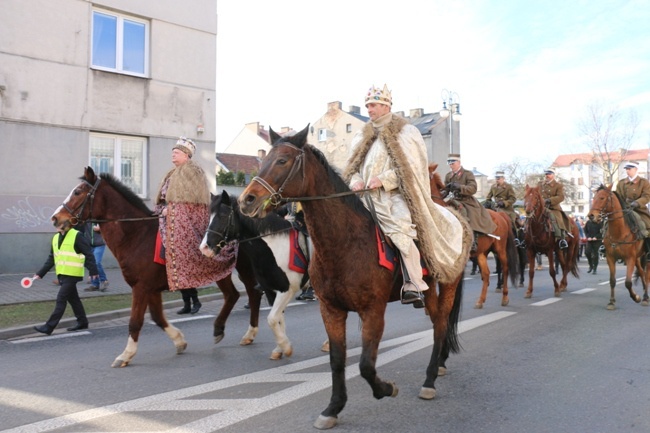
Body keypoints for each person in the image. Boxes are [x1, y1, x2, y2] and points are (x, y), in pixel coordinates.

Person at [343, 84, 467, 308]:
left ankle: (414, 282)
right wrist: (356, 181)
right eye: (367, 105)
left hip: (394, 196)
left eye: (373, 105)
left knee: (400, 225)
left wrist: (383, 180)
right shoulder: (361, 135)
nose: (369, 109)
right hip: (362, 196)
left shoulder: (406, 132)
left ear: (386, 106)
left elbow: (411, 168)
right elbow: (351, 168)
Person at [155, 137, 238, 315]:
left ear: (186, 155)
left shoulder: (192, 172)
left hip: (184, 224)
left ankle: (194, 301)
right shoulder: (171, 174)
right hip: (168, 222)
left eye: (176, 152)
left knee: (183, 256)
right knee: (172, 259)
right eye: (172, 152)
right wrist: (162, 209)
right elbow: (165, 199)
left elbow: (191, 203)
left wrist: (172, 211)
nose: (173, 155)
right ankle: (187, 302)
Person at [31, 223, 98, 335]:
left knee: (61, 298)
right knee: (73, 299)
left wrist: (93, 271)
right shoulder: (56, 237)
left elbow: (88, 254)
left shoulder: (77, 235)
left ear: (67, 224)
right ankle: (83, 322)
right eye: (56, 223)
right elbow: (52, 257)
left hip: (73, 274)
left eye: (60, 223)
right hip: (62, 274)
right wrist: (40, 273)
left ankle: (49, 327)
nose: (57, 225)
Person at [444, 154, 497, 252]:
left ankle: (473, 240)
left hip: (467, 201)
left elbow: (473, 189)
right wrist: (442, 193)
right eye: (449, 163)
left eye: (453, 163)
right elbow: (445, 190)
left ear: (459, 162)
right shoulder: (448, 176)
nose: (451, 165)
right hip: (453, 200)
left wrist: (460, 187)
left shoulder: (468, 174)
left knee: (468, 215)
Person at [615, 161, 650, 254]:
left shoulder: (644, 182)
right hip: (623, 210)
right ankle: (608, 245)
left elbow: (647, 196)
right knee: (608, 222)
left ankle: (648, 249)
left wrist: (637, 203)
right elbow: (617, 196)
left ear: (636, 169)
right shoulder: (621, 183)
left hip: (638, 209)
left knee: (646, 225)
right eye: (626, 169)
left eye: (629, 169)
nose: (627, 171)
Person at [538, 168, 570, 249]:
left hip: (553, 208)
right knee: (530, 217)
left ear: (553, 175)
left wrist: (550, 200)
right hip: (541, 207)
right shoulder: (540, 184)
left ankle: (561, 238)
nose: (547, 176)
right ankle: (525, 237)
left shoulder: (558, 185)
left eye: (549, 174)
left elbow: (561, 197)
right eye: (546, 174)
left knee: (557, 219)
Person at [82, 222, 109, 292]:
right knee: (91, 264)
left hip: (99, 244)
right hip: (89, 245)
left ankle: (104, 280)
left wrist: (101, 229)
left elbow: (109, 227)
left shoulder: (98, 218)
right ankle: (95, 284)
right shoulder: (86, 219)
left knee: (97, 262)